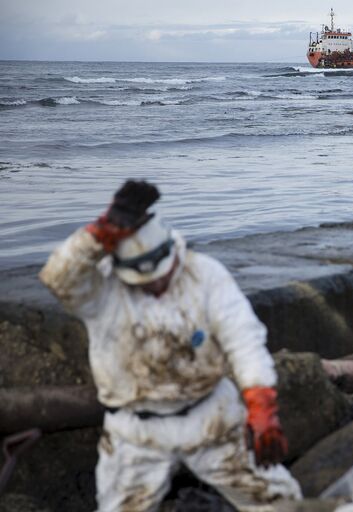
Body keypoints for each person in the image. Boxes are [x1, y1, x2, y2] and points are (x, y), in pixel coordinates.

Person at [39, 180, 301, 511]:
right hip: (135, 430)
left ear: (171, 254)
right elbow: (56, 277)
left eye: (160, 277)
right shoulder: (100, 289)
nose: (154, 286)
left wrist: (261, 404)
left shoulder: (204, 275)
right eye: (143, 282)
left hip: (211, 415)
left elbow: (244, 340)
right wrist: (99, 232)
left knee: (279, 500)